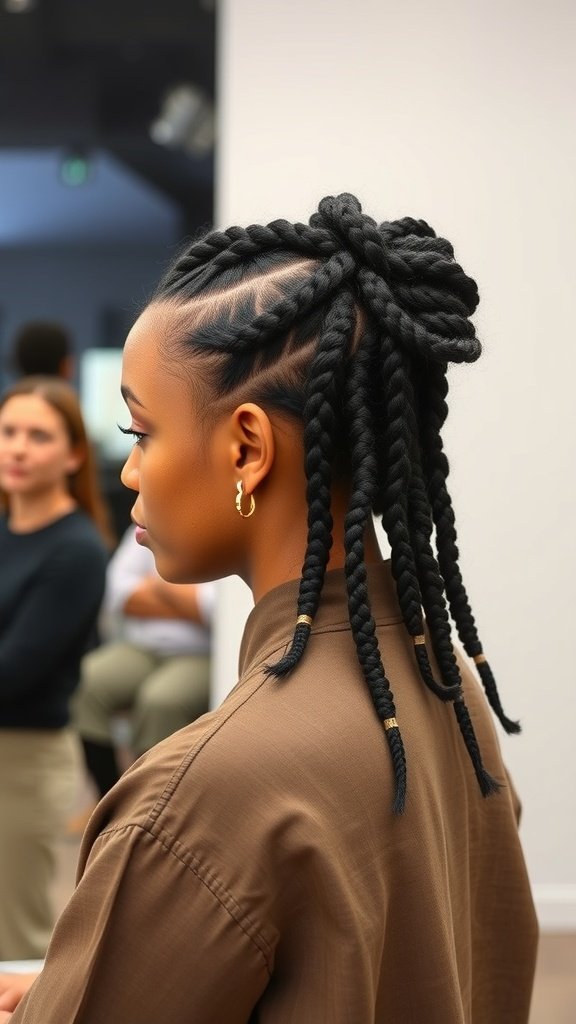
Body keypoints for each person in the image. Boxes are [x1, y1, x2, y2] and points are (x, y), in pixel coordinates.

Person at [0, 194, 538, 1023]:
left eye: (141, 433)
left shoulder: (205, 797)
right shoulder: (446, 684)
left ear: (247, 448)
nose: (131, 471)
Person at [0, 377, 110, 961]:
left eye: (38, 436)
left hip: (22, 761)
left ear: (73, 455)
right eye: (9, 432)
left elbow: (14, 670)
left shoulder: (76, 549)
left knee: (12, 940)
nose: (18, 448)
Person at [73, 524, 214, 803]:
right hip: (142, 648)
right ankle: (110, 800)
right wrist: (186, 600)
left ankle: (152, 805)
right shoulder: (149, 519)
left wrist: (158, 584)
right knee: (86, 681)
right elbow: (116, 593)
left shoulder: (219, 523)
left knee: (161, 700)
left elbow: (215, 609)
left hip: (201, 653)